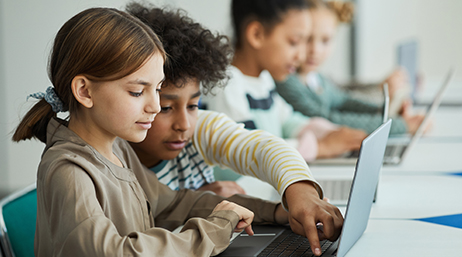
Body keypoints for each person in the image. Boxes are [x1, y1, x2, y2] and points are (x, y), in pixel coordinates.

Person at [12, 7, 300, 256]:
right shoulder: (70, 171)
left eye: (158, 89)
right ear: (85, 91)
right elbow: (114, 253)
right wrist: (214, 229)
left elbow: (173, 203)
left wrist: (273, 213)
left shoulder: (118, 149)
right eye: (138, 92)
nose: (154, 105)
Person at [126, 4, 343, 256]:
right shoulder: (116, 160)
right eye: (165, 108)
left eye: (194, 105)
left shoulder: (199, 128)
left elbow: (261, 148)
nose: (184, 124)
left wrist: (301, 192)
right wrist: (194, 204)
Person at [202, 0, 367, 163]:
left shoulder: (263, 80)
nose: (301, 56)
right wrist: (320, 147)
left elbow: (288, 121)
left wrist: (331, 132)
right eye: (294, 42)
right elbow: (249, 153)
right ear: (256, 34)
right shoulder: (226, 84)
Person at [275, 0, 426, 135]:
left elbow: (344, 101)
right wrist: (401, 125)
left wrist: (382, 112)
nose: (315, 50)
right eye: (307, 39)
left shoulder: (316, 78)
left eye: (326, 40)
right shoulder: (286, 81)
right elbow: (329, 120)